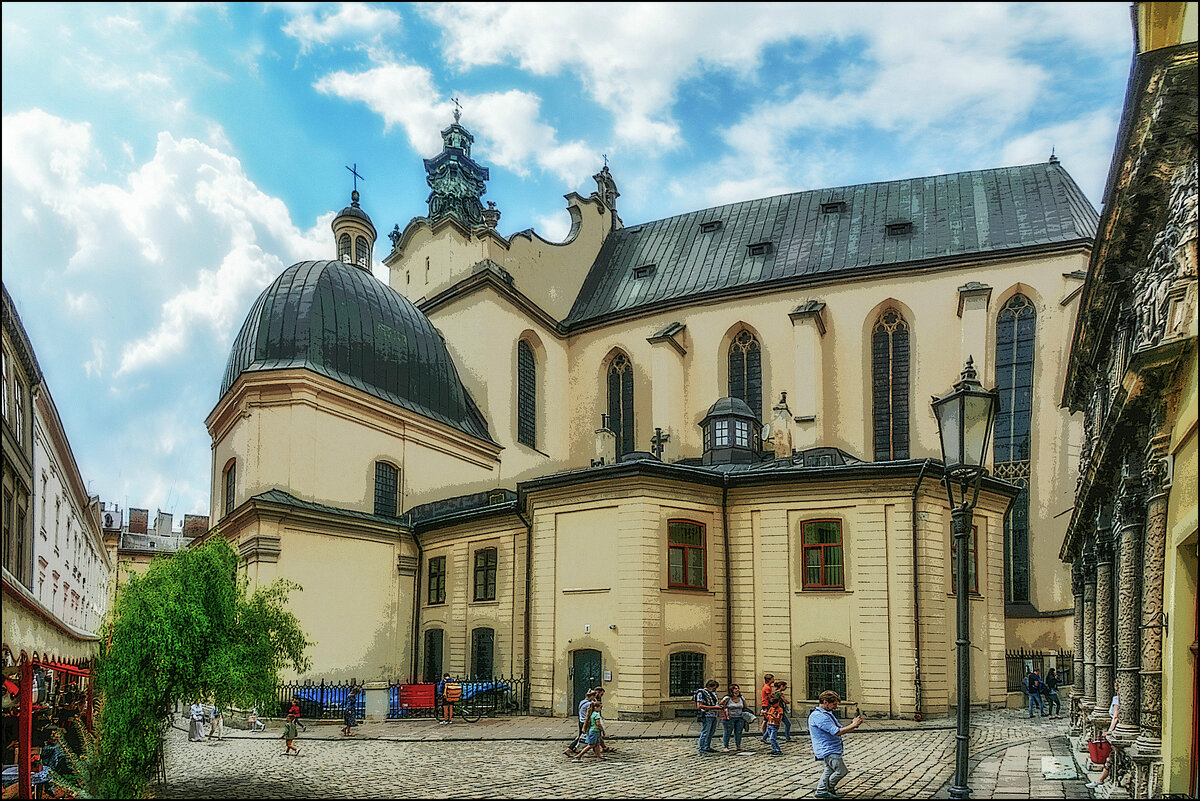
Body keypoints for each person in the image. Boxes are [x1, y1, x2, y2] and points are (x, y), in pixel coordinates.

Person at [808, 690, 864, 799]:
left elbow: (840, 729)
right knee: (841, 771)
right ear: (825, 702)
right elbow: (837, 731)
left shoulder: (826, 714)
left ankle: (822, 790)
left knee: (829, 770)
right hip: (828, 749)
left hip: (832, 748)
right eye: (834, 704)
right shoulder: (819, 716)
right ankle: (826, 788)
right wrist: (854, 724)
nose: (835, 706)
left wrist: (854, 725)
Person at [1086, 681, 1119, 790]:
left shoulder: (1116, 699)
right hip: (1119, 731)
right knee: (1110, 758)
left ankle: (1100, 780)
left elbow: (1115, 717)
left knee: (1110, 758)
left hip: (1116, 731)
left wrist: (1110, 730)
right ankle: (1101, 779)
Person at [694, 679, 721, 754]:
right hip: (707, 715)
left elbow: (715, 703)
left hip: (714, 715)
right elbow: (699, 706)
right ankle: (701, 748)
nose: (715, 690)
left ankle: (707, 747)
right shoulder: (701, 693)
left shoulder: (713, 694)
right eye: (714, 688)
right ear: (709, 686)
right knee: (705, 732)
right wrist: (714, 708)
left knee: (711, 732)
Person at [566, 690, 596, 756]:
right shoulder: (589, 704)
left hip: (580, 721)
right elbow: (590, 713)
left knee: (580, 736)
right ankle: (569, 749)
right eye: (594, 697)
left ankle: (575, 748)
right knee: (582, 737)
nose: (594, 698)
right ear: (591, 696)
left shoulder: (582, 702)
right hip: (585, 722)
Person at [718, 683, 747, 751]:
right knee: (728, 732)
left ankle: (738, 746)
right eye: (735, 688)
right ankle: (726, 746)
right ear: (731, 690)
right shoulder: (727, 698)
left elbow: (745, 706)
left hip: (739, 717)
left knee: (738, 732)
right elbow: (720, 705)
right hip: (729, 718)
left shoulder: (741, 698)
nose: (737, 690)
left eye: (738, 688)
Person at [759, 673, 775, 737]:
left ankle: (766, 734)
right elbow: (769, 697)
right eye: (772, 679)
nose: (774, 680)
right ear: (769, 680)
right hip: (766, 704)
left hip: (765, 704)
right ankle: (764, 734)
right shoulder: (767, 687)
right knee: (766, 720)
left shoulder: (767, 686)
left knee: (766, 719)